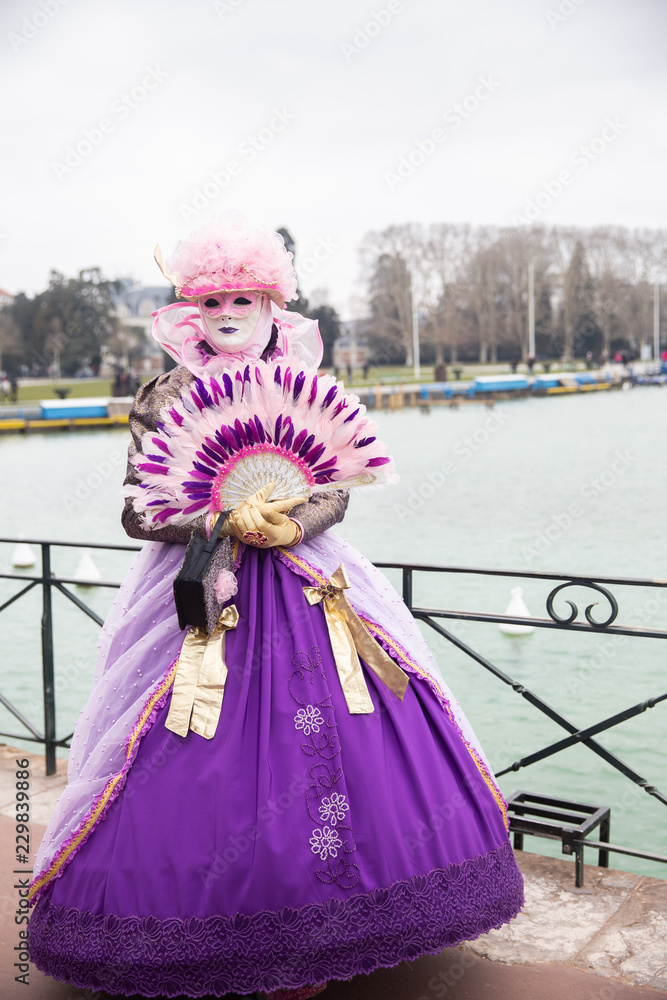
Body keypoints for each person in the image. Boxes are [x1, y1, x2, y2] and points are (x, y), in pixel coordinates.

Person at [28, 215, 523, 1000]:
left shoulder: (305, 389)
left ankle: (352, 923)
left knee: (352, 729)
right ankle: (205, 936)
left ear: (272, 306)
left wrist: (292, 521)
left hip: (309, 581)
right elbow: (137, 510)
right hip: (198, 590)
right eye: (213, 299)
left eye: (245, 299)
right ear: (191, 310)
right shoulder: (165, 394)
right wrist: (220, 519)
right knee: (184, 746)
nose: (228, 313)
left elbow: (332, 484)